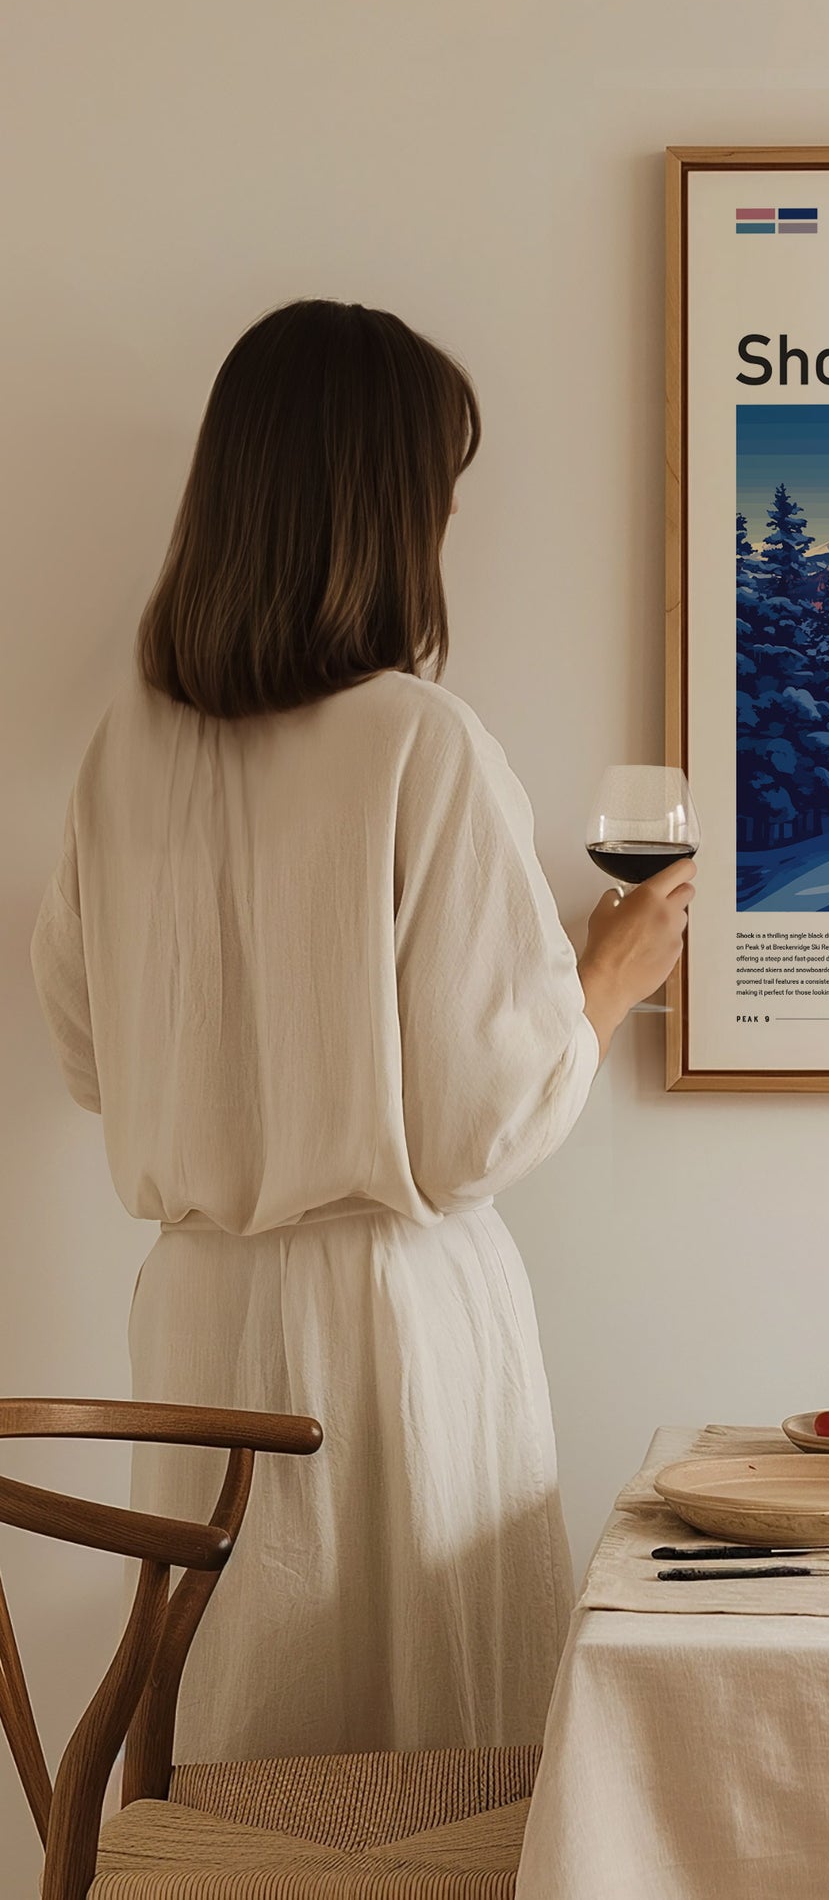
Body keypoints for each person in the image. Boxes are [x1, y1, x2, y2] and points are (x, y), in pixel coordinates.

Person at [29, 299, 689, 1760]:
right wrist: (607, 972)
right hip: (390, 1325)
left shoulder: (123, 751)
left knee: (240, 1742)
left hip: (198, 1314)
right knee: (422, 1763)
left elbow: (87, 1055)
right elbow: (474, 1127)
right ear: (388, 511)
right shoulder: (417, 739)